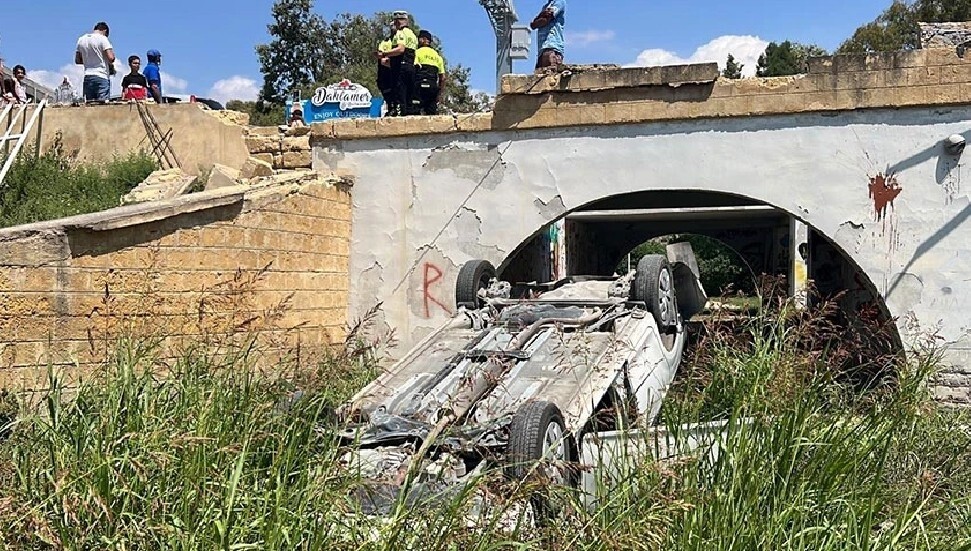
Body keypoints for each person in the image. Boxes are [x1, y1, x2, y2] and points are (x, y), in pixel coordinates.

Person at [382, 11, 417, 116]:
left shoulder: (400, 33)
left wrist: (384, 54)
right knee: (408, 98)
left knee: (399, 96)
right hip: (410, 67)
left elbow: (400, 49)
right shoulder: (412, 34)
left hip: (400, 68)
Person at [75, 21, 116, 103]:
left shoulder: (81, 39)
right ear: (104, 30)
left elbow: (77, 60)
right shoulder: (103, 39)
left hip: (88, 76)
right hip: (101, 75)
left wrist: (88, 60)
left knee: (90, 106)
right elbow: (111, 58)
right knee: (102, 107)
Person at [414, 30, 446, 115]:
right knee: (431, 114)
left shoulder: (416, 52)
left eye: (419, 39)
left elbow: (413, 69)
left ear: (424, 40)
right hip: (432, 87)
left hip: (418, 87)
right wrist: (439, 94)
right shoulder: (437, 56)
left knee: (414, 113)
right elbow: (442, 77)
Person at [530, 0, 566, 71]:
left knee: (552, 76)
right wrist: (542, 15)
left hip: (552, 46)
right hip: (542, 49)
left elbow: (548, 16)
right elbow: (533, 25)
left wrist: (540, 17)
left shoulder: (559, 2)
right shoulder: (545, 7)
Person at [376, 28, 396, 116]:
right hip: (385, 72)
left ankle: (395, 108)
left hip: (397, 72)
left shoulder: (401, 41)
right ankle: (390, 108)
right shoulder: (385, 42)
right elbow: (381, 58)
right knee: (386, 91)